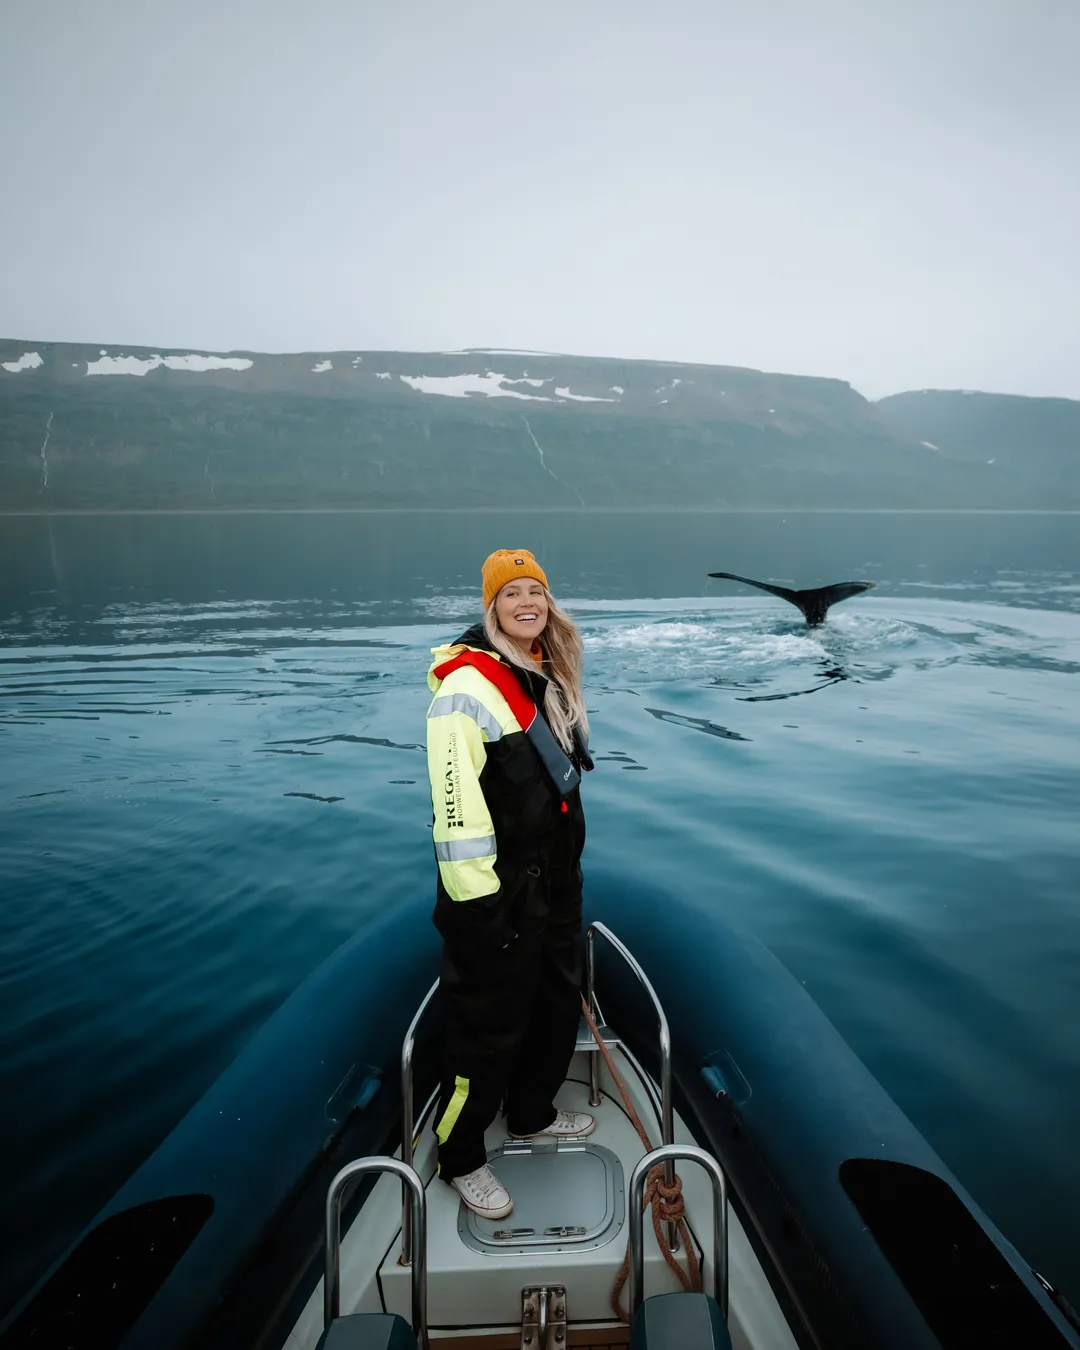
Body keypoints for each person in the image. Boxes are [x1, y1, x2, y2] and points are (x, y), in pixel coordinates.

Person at [425, 548, 595, 1219]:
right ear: (490, 607)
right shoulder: (464, 691)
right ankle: (460, 1155)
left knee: (557, 1001)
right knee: (486, 1028)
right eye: (511, 594)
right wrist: (481, 912)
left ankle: (530, 1113)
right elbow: (455, 808)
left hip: (555, 883)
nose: (527, 602)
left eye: (536, 592)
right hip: (496, 894)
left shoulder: (541, 674)